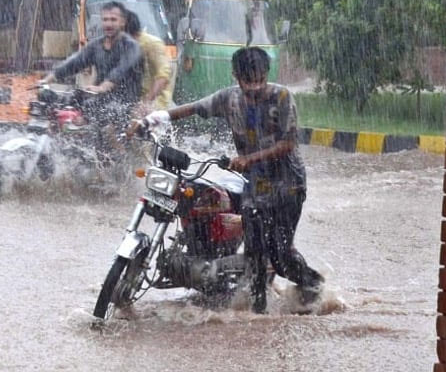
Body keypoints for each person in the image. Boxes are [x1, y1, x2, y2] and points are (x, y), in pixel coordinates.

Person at [136, 47, 324, 313]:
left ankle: (313, 286)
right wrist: (155, 118)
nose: (254, 87)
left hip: (287, 186)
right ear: (236, 76)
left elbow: (288, 142)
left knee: (281, 256)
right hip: (254, 186)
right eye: (248, 81)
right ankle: (257, 312)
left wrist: (250, 159)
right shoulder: (229, 99)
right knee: (255, 253)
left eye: (259, 79)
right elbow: (193, 109)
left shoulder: (281, 97)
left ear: (266, 74)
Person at [40, 1, 143, 150]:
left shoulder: (131, 46)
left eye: (113, 20)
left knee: (104, 121)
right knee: (56, 101)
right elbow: (75, 62)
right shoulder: (96, 46)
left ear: (122, 22)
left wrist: (103, 87)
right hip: (98, 97)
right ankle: (59, 149)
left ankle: (118, 163)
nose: (108, 23)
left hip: (123, 102)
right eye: (105, 19)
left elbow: (121, 70)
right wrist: (48, 79)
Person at [124, 10, 173, 114]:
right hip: (132, 101)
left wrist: (146, 103)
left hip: (155, 103)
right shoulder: (123, 46)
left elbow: (163, 76)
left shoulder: (152, 44)